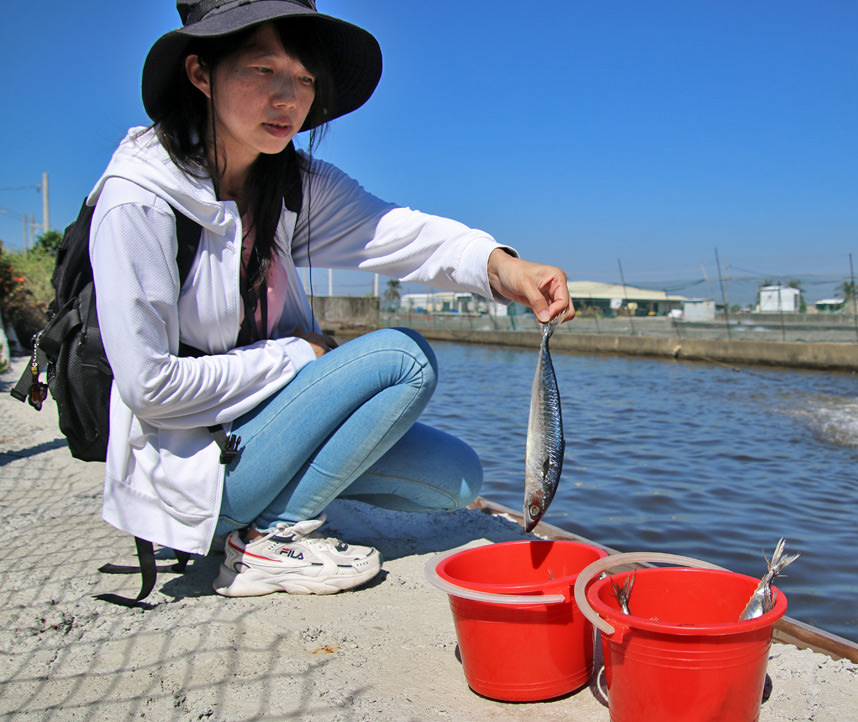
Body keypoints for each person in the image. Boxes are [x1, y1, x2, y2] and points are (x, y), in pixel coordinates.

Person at [87, 0, 574, 598]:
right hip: (188, 469)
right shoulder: (138, 199)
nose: (288, 98)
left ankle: (271, 507)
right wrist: (299, 355)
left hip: (259, 436)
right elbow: (149, 388)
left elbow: (403, 234)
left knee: (456, 479)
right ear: (199, 73)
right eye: (263, 70)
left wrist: (506, 267)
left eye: (305, 78)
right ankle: (268, 539)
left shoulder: (291, 183)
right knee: (403, 359)